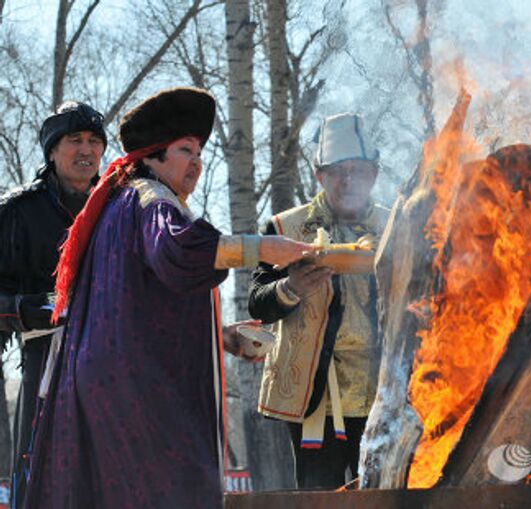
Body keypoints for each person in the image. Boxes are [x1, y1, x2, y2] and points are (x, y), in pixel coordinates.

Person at [23, 87, 314, 508]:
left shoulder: (122, 201)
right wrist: (263, 248)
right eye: (185, 150)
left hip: (112, 382)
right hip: (135, 390)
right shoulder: (152, 200)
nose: (196, 162)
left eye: (198, 152)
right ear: (154, 155)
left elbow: (145, 307)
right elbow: (178, 251)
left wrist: (222, 336)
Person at [249, 113, 390, 489]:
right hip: (314, 394)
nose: (348, 181)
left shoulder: (396, 227)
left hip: (382, 392)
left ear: (374, 175)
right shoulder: (284, 229)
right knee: (319, 498)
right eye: (337, 171)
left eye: (358, 171)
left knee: (384, 495)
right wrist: (290, 288)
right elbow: (257, 303)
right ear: (319, 176)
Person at [0, 101, 106, 506]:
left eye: (94, 141)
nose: (86, 150)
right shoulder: (17, 212)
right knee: (42, 482)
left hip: (115, 366)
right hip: (46, 363)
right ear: (51, 151)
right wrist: (28, 308)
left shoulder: (120, 207)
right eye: (74, 140)